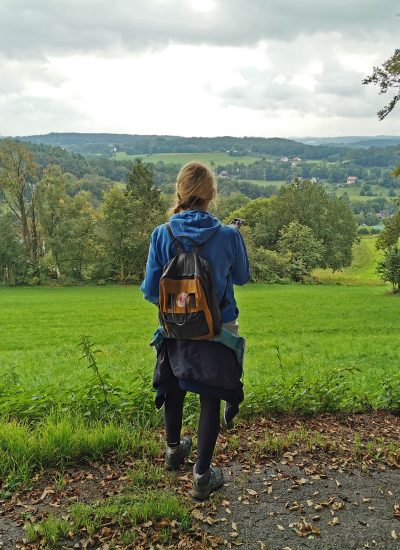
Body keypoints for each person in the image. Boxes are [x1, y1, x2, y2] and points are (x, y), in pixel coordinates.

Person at [140, 161, 250, 499]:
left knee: (175, 386)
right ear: (211, 195)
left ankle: (174, 450)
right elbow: (242, 277)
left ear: (180, 192)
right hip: (218, 329)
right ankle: (202, 476)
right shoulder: (228, 235)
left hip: (175, 328)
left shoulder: (163, 234)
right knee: (210, 396)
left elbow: (149, 290)